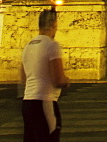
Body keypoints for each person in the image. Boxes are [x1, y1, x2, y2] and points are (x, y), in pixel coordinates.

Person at [20, 8, 69, 142]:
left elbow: (24, 78)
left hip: (27, 103)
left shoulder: (28, 46)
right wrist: (66, 80)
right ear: (54, 24)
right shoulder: (51, 45)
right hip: (45, 102)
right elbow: (58, 79)